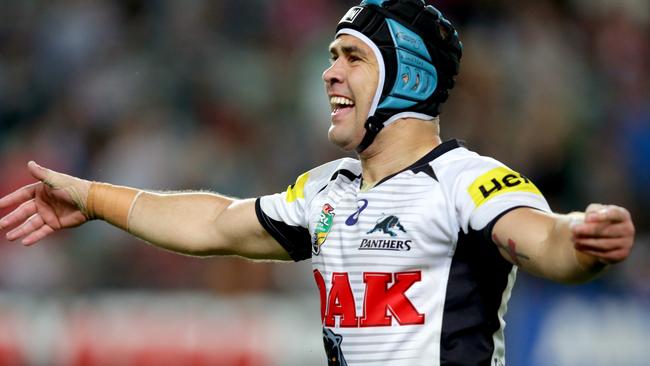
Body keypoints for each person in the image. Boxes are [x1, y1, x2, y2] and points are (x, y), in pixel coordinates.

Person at [0, 0, 635, 365]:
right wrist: (92, 197)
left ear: (405, 76)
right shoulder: (325, 190)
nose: (329, 73)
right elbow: (213, 223)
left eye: (352, 56)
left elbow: (544, 242)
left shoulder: (468, 182)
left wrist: (583, 241)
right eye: (331, 56)